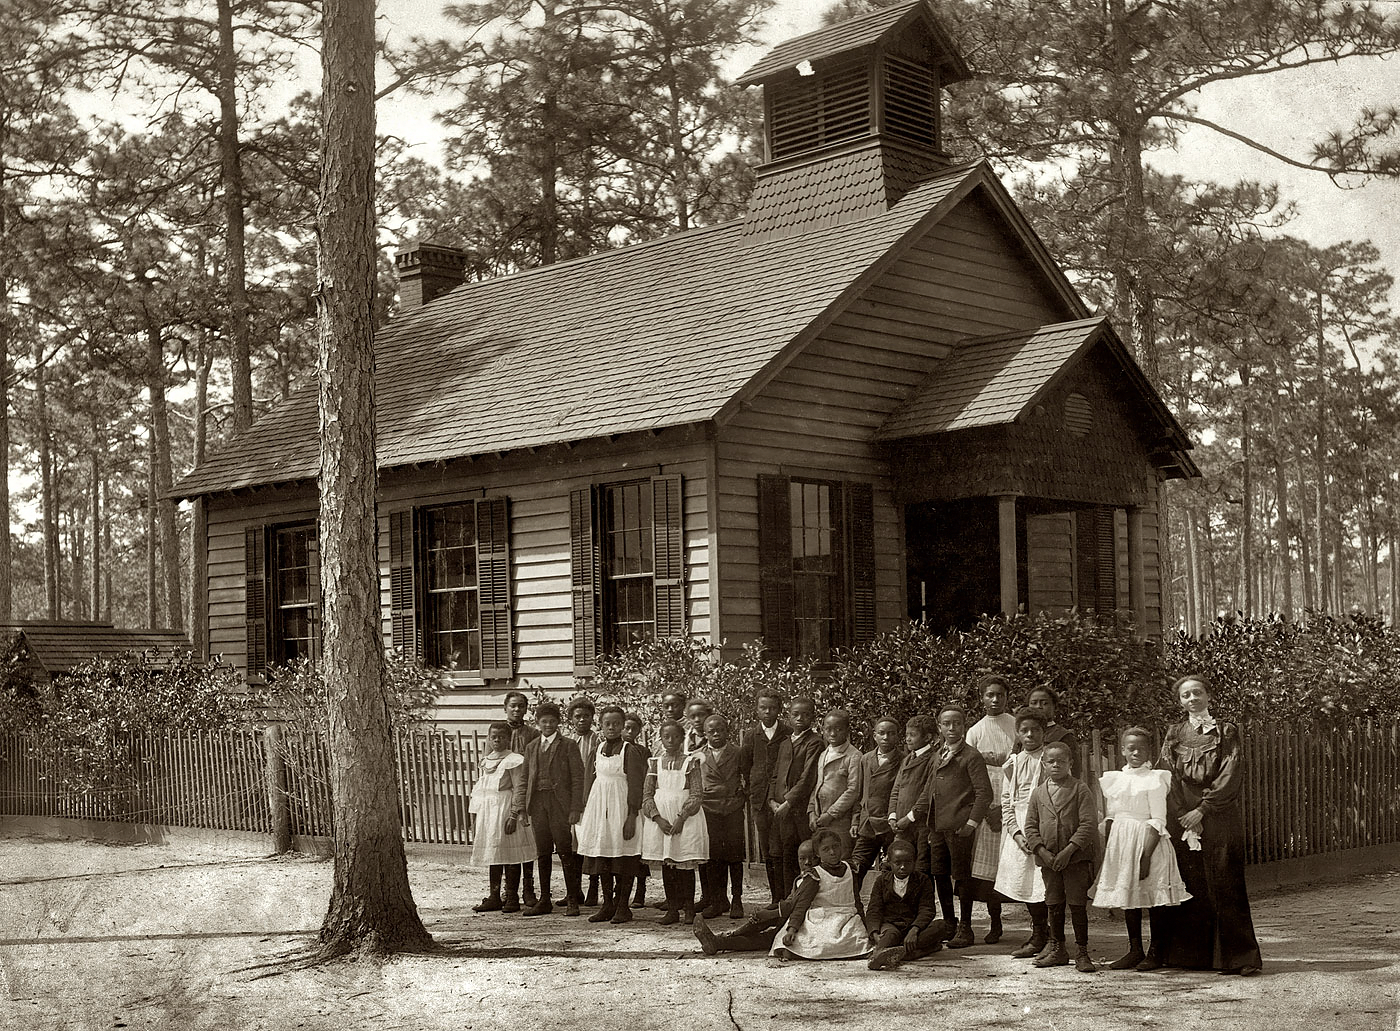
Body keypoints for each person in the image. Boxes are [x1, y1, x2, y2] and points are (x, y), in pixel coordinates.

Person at [1159, 675, 1262, 976]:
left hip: (1219, 816)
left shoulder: (1226, 731)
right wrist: (1183, 815)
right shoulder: (1174, 733)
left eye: (1197, 693)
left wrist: (1202, 811)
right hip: (1182, 818)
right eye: (1186, 695)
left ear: (1208, 696)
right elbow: (1167, 776)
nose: (1192, 699)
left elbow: (1231, 773)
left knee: (1225, 883)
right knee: (1191, 885)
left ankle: (1240, 958)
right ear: (1179, 701)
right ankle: (1194, 958)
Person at [1092, 726, 1191, 970]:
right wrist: (1112, 843)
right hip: (1122, 842)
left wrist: (1145, 856)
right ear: (1123, 750)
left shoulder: (1155, 779)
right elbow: (1113, 815)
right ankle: (1134, 950)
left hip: (1148, 842)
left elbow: (1158, 819)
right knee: (1130, 898)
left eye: (1141, 748)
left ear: (1150, 751)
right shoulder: (1116, 779)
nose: (1136, 752)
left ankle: (1156, 952)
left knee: (1153, 897)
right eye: (1131, 748)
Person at [920, 702, 992, 948]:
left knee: (961, 877)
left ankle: (966, 928)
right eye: (947, 724)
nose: (952, 728)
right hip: (938, 828)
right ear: (940, 727)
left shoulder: (970, 756)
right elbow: (930, 790)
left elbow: (984, 793)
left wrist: (971, 823)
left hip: (960, 827)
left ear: (964, 726)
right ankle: (950, 922)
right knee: (940, 874)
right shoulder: (937, 755)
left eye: (957, 723)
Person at [1023, 740, 1099, 972]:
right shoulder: (1038, 793)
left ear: (1070, 764)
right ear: (1044, 764)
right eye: (1051, 761)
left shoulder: (1080, 789)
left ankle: (1082, 952)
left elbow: (1088, 824)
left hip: (1074, 859)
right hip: (1049, 861)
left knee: (1076, 904)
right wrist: (1042, 851)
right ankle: (1057, 948)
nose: (1056, 765)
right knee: (1053, 902)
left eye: (1061, 761)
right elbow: (1030, 826)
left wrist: (1069, 851)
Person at [575, 704, 648, 924]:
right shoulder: (596, 750)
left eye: (617, 723)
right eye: (607, 724)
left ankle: (623, 906)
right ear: (601, 725)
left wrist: (631, 816)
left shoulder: (630, 751)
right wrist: (587, 812)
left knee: (623, 858)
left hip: (622, 809)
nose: (612, 728)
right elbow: (589, 783)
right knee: (602, 857)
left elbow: (637, 785)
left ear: (623, 725)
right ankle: (607, 905)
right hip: (600, 811)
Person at [692, 840, 818, 956]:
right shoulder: (803, 878)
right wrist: (769, 911)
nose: (807, 862)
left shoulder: (813, 878)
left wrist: (770, 914)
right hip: (795, 918)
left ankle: (724, 939)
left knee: (767, 937)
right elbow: (790, 902)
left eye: (813, 858)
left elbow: (797, 907)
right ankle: (722, 940)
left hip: (803, 923)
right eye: (802, 859)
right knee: (766, 923)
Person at [641, 721, 710, 925]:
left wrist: (681, 817)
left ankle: (688, 908)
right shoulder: (654, 763)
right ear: (661, 739)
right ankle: (672, 909)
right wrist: (657, 818)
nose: (671, 741)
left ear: (682, 739)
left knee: (684, 865)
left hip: (685, 820)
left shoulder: (691, 763)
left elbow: (697, 794)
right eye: (666, 737)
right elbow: (647, 795)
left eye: (676, 737)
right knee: (667, 866)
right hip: (661, 820)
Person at [995, 707, 1050, 959]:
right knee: (1027, 884)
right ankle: (1039, 933)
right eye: (1024, 731)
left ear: (1043, 732)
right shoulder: (1013, 763)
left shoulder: (1049, 760)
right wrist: (1016, 834)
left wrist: (1039, 833)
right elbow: (1007, 800)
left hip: (1043, 826)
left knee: (1045, 884)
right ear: (1017, 733)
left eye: (1035, 730)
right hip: (1019, 831)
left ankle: (1051, 935)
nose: (1030, 735)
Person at [521, 702, 585, 916]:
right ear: (537, 723)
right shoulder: (531, 747)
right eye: (543, 721)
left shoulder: (568, 745)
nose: (548, 725)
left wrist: (575, 807)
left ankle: (573, 900)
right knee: (543, 852)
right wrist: (522, 808)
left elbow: (578, 778)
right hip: (538, 803)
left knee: (565, 852)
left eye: (552, 721)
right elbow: (524, 779)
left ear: (558, 723)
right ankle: (545, 899)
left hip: (559, 804)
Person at [965, 675, 1016, 944]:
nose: (995, 700)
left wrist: (1005, 808)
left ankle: (1037, 927)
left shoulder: (1016, 726)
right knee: (988, 872)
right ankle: (995, 923)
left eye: (1000, 695)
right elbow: (971, 774)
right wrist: (986, 809)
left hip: (1013, 802)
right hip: (986, 802)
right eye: (989, 695)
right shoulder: (974, 731)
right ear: (981, 698)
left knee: (1017, 864)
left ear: (1007, 697)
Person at [769, 828, 871, 961]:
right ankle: (799, 952)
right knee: (814, 940)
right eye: (826, 849)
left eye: (835, 847)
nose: (832, 852)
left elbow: (856, 900)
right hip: (822, 919)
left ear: (841, 846)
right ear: (817, 853)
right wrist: (792, 929)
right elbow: (801, 905)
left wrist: (865, 925)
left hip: (847, 918)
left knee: (858, 937)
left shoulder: (850, 870)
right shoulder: (815, 875)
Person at [469, 722, 537, 913]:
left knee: (511, 854)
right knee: (494, 854)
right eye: (494, 737)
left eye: (501, 737)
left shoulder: (514, 760)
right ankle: (494, 896)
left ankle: (512, 897)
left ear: (509, 739)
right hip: (489, 811)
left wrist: (514, 814)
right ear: (489, 739)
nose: (497, 740)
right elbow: (480, 790)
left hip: (506, 809)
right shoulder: (486, 760)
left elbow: (518, 788)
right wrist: (476, 814)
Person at [766, 696, 823, 901]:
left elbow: (807, 778)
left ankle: (799, 900)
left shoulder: (814, 743)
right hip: (779, 810)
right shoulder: (785, 743)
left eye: (806, 714)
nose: (800, 718)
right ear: (788, 717)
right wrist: (772, 800)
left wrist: (788, 802)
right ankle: (780, 901)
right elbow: (775, 775)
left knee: (799, 855)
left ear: (813, 717)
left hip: (797, 811)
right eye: (795, 714)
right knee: (779, 855)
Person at [864, 840, 950, 970]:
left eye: (908, 862)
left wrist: (914, 930)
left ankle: (903, 952)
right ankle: (881, 955)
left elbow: (927, 909)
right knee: (889, 936)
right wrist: (875, 933)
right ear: (890, 863)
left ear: (914, 862)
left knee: (941, 926)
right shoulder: (882, 881)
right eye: (898, 863)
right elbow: (874, 909)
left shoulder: (923, 880)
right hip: (891, 925)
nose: (903, 867)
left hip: (914, 926)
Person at [739, 689, 790, 904]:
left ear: (779, 709)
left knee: (784, 846)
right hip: (760, 801)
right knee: (767, 849)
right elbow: (745, 765)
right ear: (757, 710)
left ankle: (787, 896)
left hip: (781, 799)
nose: (768, 712)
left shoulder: (787, 732)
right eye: (763, 708)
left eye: (772, 708)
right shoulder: (752, 735)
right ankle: (775, 897)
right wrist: (752, 791)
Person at [697, 713, 747, 919]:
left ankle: (737, 899)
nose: (716, 734)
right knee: (713, 857)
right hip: (709, 811)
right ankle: (718, 900)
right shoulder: (698, 755)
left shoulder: (738, 753)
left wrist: (739, 795)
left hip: (732, 809)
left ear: (728, 731)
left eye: (721, 730)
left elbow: (746, 778)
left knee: (734, 857)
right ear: (705, 733)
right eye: (711, 731)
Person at [850, 716, 903, 893]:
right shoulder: (866, 759)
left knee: (891, 869)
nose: (886, 737)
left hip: (889, 824)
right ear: (874, 736)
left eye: (891, 734)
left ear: (898, 736)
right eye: (881, 733)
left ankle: (890, 910)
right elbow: (860, 793)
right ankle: (854, 907)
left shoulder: (903, 760)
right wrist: (855, 820)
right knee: (857, 866)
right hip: (867, 823)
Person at [502, 691, 541, 908]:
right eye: (513, 706)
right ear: (505, 708)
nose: (517, 710)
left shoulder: (533, 734)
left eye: (521, 706)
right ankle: (509, 893)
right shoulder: (498, 732)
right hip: (504, 794)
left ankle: (529, 890)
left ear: (526, 709)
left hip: (526, 792)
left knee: (527, 842)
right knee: (509, 843)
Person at [808, 709, 862, 862]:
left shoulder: (853, 756)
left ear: (847, 731)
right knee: (822, 863)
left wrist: (831, 814)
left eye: (838, 729)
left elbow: (853, 790)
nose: (832, 734)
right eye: (828, 729)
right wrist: (811, 811)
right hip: (820, 819)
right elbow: (817, 786)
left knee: (840, 861)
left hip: (839, 820)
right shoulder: (823, 754)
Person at [887, 715, 938, 876]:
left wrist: (908, 818)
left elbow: (927, 794)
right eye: (907, 734)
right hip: (901, 824)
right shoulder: (908, 758)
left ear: (927, 737)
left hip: (920, 824)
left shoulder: (933, 759)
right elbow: (896, 789)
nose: (908, 739)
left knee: (921, 868)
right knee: (896, 866)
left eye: (912, 735)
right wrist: (892, 816)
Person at [565, 696, 601, 906]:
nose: (582, 720)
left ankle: (593, 889)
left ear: (592, 718)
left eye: (586, 716)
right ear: (571, 719)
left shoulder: (597, 741)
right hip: (570, 799)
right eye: (577, 716)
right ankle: (574, 889)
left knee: (591, 843)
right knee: (572, 845)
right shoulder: (567, 741)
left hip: (591, 798)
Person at [622, 712, 653, 908]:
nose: (629, 732)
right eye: (626, 727)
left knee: (638, 849)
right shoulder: (613, 749)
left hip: (637, 803)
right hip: (617, 801)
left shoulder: (642, 751)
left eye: (633, 729)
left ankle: (640, 890)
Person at [1023, 687, 1079, 776]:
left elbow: (1075, 770)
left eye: (1044, 703)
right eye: (1034, 703)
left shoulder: (1063, 735)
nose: (1038, 706)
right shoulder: (1023, 734)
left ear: (1054, 706)